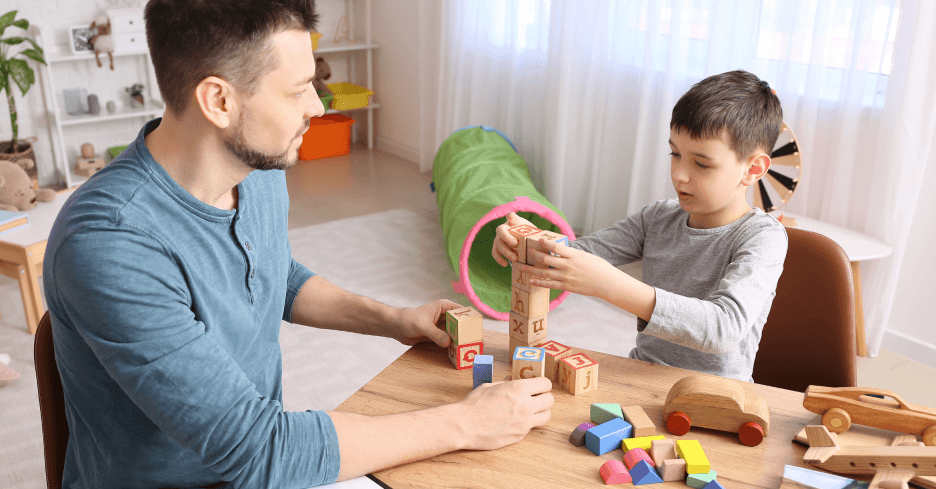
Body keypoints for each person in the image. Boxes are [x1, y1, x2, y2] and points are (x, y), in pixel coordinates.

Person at [43, 1, 553, 487]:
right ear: (219, 100)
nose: (318, 105)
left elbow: (274, 276)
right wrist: (464, 424)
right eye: (298, 90)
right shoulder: (110, 244)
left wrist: (394, 321)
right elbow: (260, 451)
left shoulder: (257, 167)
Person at [493, 69, 788, 383]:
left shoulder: (763, 238)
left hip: (715, 396)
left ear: (753, 169)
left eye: (701, 163)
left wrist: (609, 285)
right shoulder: (659, 217)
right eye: (675, 154)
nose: (679, 175)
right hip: (643, 375)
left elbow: (722, 328)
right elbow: (576, 255)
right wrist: (527, 240)